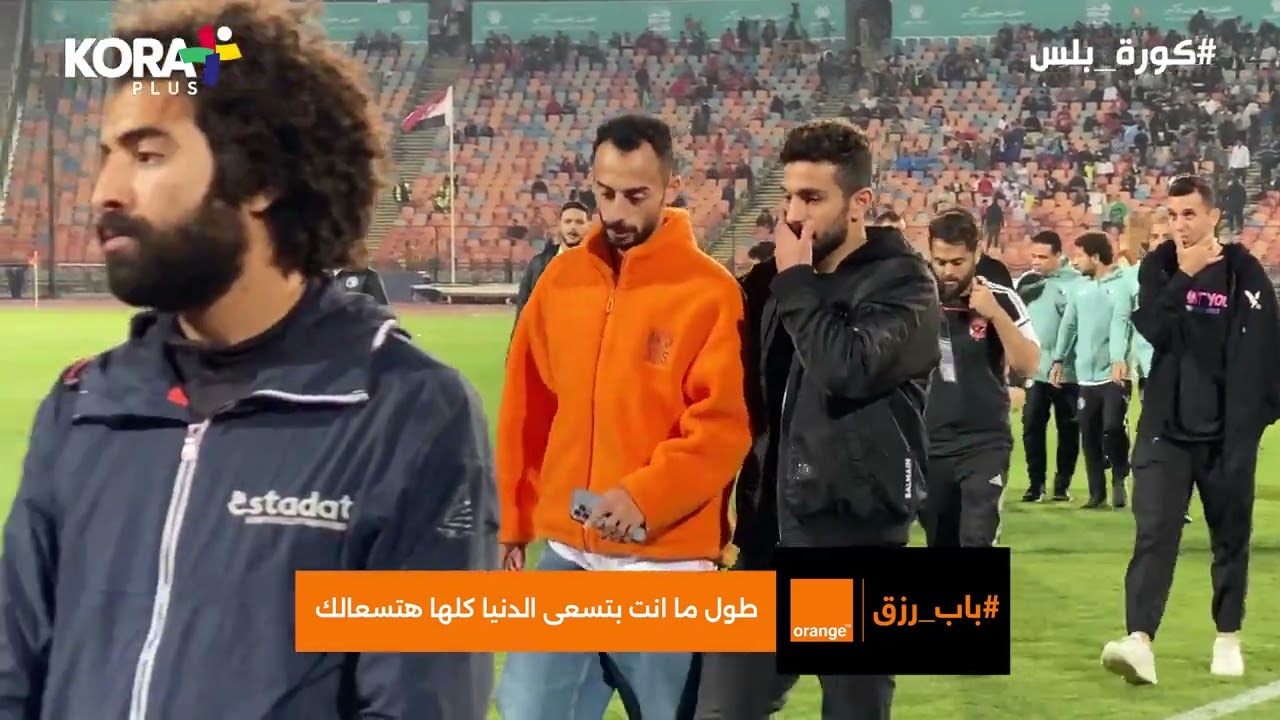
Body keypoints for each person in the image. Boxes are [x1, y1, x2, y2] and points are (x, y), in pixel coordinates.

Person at [0, 1, 498, 718]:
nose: (105, 191)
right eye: (107, 155)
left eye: (147, 155)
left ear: (259, 177)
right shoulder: (84, 407)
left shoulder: (406, 415)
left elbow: (416, 702)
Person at [496, 114, 751, 720]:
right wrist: (513, 520)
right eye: (605, 193)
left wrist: (645, 496)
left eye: (635, 196)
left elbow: (723, 425)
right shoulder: (559, 281)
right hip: (569, 550)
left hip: (667, 562)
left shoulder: (710, 292)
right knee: (527, 711)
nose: (616, 211)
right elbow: (527, 405)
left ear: (671, 188)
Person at [695, 119, 940, 719]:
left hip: (851, 541)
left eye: (811, 198)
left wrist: (797, 280)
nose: (793, 215)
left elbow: (846, 368)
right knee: (721, 711)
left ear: (860, 202)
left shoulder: (903, 284)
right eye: (788, 197)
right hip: (766, 542)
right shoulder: (774, 283)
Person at [1101, 175, 1280, 685]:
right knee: (1154, 533)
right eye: (1173, 215)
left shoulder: (1244, 272)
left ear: (1213, 216)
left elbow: (1268, 348)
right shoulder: (1159, 266)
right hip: (1167, 428)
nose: (1179, 225)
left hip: (1226, 434)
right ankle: (1139, 640)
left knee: (1230, 536)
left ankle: (1227, 635)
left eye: (1190, 214)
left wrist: (1253, 422)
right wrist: (1186, 274)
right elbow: (1154, 328)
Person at [922, 209, 1040, 547]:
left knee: (977, 538)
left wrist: (995, 315)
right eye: (940, 261)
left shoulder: (1001, 298)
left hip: (984, 443)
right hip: (928, 443)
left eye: (957, 262)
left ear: (976, 254)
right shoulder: (916, 300)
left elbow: (1028, 365)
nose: (948, 271)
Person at [1051, 232, 1135, 509]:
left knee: (1112, 428)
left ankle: (1120, 475)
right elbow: (1069, 325)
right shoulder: (1079, 288)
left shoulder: (1122, 285)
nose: (1074, 262)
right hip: (1085, 376)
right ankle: (1096, 494)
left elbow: (1121, 322)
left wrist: (1118, 359)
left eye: (1079, 256)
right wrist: (1058, 359)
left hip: (1114, 373)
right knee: (1089, 435)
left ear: (1096, 257)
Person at [1017, 230, 1085, 502]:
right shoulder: (1028, 283)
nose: (1036, 261)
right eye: (1033, 256)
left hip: (1068, 372)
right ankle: (1036, 485)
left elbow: (1078, 327)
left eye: (1043, 257)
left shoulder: (1075, 283)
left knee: (1068, 430)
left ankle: (1062, 485)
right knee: (1031, 427)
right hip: (1036, 369)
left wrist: (1063, 359)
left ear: (1058, 255)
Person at [513, 200, 589, 324]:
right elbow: (523, 312)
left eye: (579, 222)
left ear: (588, 226)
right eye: (568, 221)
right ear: (559, 225)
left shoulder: (599, 265)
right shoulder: (538, 265)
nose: (573, 227)